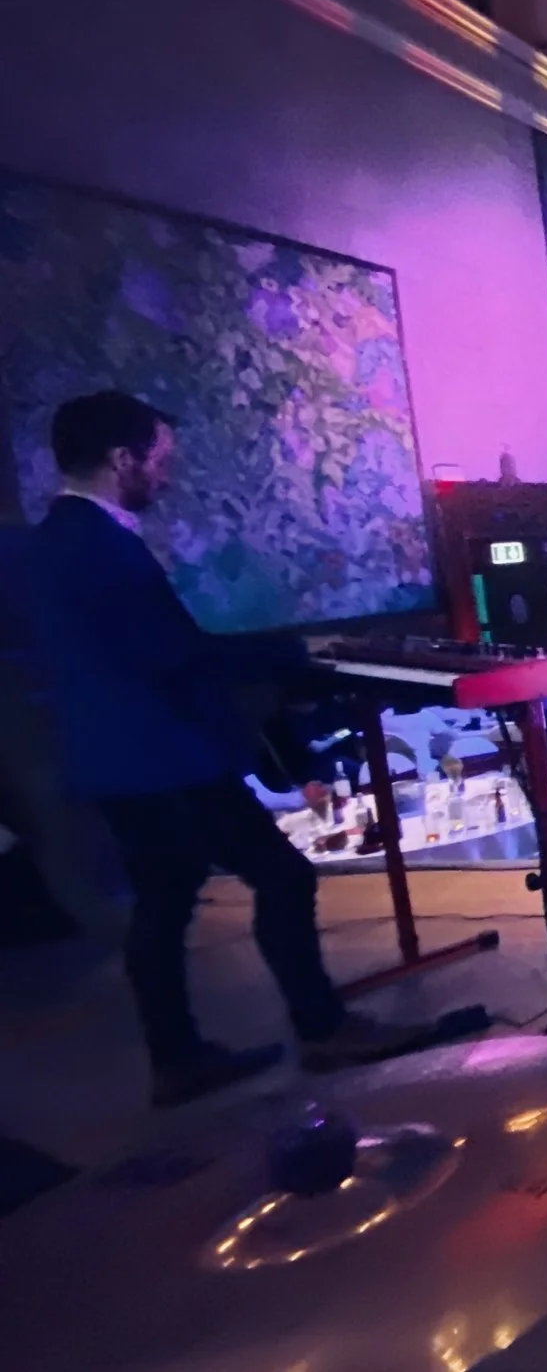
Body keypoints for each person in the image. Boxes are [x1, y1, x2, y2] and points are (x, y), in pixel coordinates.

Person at [23, 392, 430, 1105]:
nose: (166, 476)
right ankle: (321, 1026)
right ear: (122, 460)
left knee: (163, 903)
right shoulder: (100, 547)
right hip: (166, 757)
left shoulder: (49, 541)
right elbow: (175, 656)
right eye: (159, 460)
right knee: (282, 878)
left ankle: (177, 1060)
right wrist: (297, 652)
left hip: (111, 762)